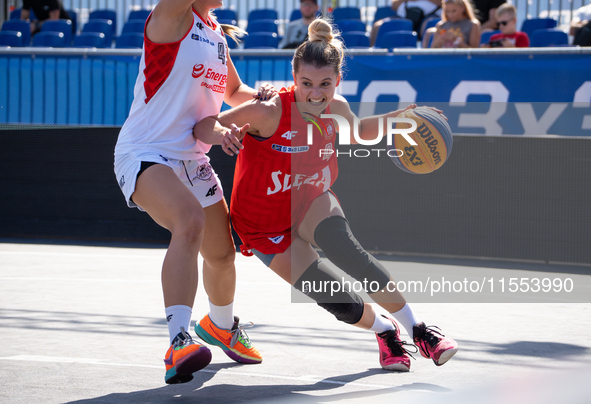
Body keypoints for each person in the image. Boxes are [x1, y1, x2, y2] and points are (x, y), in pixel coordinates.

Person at [193, 18, 459, 372]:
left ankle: (421, 331)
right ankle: (385, 330)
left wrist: (401, 117)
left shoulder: (336, 110)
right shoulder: (268, 111)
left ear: (338, 81)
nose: (316, 94)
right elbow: (202, 125)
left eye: (325, 84)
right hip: (262, 225)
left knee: (347, 251)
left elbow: (360, 131)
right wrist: (222, 134)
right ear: (294, 77)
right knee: (338, 299)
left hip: (311, 200)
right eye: (306, 84)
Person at [113, 0, 275, 385]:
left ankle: (220, 326)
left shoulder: (216, 32)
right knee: (189, 222)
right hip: (146, 150)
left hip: (192, 157)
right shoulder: (173, 17)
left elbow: (234, 91)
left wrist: (271, 99)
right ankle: (178, 342)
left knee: (221, 254)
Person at [369, 0, 442, 45]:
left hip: (428, 17)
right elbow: (394, 5)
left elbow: (444, 3)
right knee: (377, 26)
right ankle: (369, 55)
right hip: (403, 16)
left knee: (428, 25)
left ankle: (424, 56)